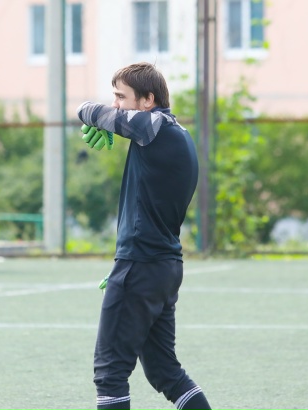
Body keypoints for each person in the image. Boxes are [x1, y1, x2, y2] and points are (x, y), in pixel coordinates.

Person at [77, 63, 211, 410]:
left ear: (148, 100)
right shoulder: (176, 132)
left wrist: (100, 120)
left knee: (110, 373)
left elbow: (86, 109)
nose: (116, 104)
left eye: (121, 97)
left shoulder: (154, 126)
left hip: (142, 264)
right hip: (160, 266)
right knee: (166, 372)